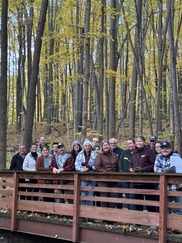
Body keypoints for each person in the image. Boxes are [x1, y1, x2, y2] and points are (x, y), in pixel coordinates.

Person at [129, 136, 158, 213]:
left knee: (150, 202)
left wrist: (143, 170)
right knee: (138, 202)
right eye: (137, 141)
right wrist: (131, 169)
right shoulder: (134, 152)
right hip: (137, 181)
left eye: (140, 141)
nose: (139, 143)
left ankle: (152, 222)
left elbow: (153, 165)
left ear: (144, 142)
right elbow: (131, 163)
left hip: (148, 181)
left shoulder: (150, 151)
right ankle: (139, 221)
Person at [154, 141, 182, 215]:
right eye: (163, 148)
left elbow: (179, 169)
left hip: (176, 187)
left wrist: (166, 171)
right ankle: (167, 226)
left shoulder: (176, 156)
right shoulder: (158, 156)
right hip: (164, 187)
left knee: (180, 208)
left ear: (170, 149)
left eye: (166, 148)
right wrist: (166, 171)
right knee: (165, 208)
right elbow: (156, 170)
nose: (164, 150)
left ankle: (179, 225)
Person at [95, 139, 119, 208]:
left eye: (107, 145)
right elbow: (97, 166)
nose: (106, 146)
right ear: (102, 147)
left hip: (114, 180)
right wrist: (105, 172)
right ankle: (104, 217)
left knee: (113, 200)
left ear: (109, 146)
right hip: (103, 180)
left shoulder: (114, 155)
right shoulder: (99, 155)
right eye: (104, 145)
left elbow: (118, 166)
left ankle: (111, 217)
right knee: (104, 200)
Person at [75, 138, 96, 206]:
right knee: (83, 195)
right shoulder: (80, 154)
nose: (87, 147)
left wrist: (90, 168)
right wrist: (82, 169)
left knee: (90, 196)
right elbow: (76, 165)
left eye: (89, 146)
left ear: (90, 146)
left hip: (91, 177)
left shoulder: (94, 154)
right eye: (86, 146)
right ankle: (82, 214)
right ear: (84, 146)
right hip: (83, 177)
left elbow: (97, 165)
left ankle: (90, 214)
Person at [118, 138, 136, 209]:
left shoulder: (137, 152)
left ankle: (133, 213)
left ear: (134, 144)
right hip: (125, 178)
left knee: (132, 196)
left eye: (131, 143)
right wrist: (122, 172)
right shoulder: (124, 152)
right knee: (127, 196)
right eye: (128, 144)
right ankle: (129, 210)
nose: (129, 145)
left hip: (134, 178)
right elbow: (120, 163)